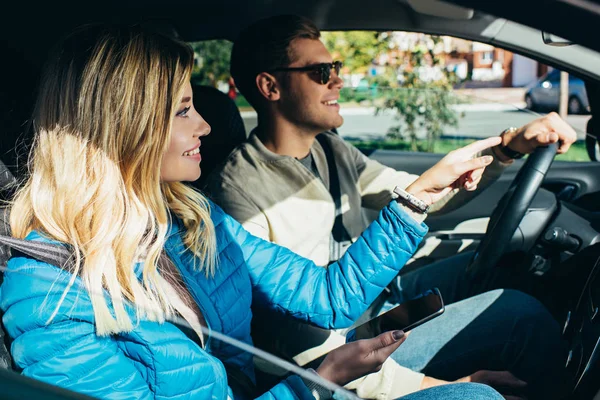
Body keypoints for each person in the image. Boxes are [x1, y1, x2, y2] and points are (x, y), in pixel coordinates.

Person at [0, 23, 506, 400]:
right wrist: (318, 381)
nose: (205, 126)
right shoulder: (50, 296)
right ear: (121, 127)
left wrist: (417, 197)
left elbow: (329, 297)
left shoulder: (190, 217)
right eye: (182, 111)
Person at [204, 14, 572, 399]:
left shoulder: (330, 149)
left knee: (504, 271)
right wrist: (442, 385)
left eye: (337, 68)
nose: (338, 80)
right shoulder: (237, 194)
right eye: (321, 71)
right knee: (519, 317)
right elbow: (300, 345)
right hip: (345, 353)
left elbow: (423, 195)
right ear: (270, 86)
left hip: (377, 308)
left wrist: (505, 149)